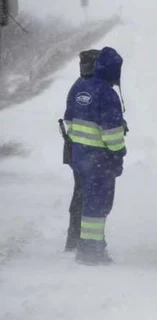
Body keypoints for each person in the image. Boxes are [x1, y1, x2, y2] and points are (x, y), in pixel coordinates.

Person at [64, 46, 126, 265]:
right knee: (97, 204)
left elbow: (69, 121)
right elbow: (112, 132)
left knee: (85, 199)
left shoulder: (80, 87)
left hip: (80, 156)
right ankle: (91, 251)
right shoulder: (107, 94)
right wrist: (119, 151)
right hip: (100, 160)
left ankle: (83, 243)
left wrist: (82, 145)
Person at [62, 49, 101, 252]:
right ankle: (85, 242)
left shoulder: (77, 87)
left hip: (77, 152)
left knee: (80, 194)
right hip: (91, 153)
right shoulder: (97, 88)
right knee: (91, 197)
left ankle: (74, 238)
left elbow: (69, 118)